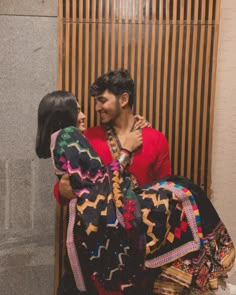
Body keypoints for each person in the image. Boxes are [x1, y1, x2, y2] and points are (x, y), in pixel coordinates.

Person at [36, 91, 235, 295]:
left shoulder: (151, 137)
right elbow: (80, 185)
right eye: (79, 109)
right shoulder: (84, 137)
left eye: (102, 101)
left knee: (179, 189)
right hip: (106, 220)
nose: (93, 110)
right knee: (181, 194)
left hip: (128, 211)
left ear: (123, 100)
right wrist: (125, 153)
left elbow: (160, 176)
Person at [56, 69, 171, 203]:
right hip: (98, 222)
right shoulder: (88, 138)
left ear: (123, 100)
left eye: (102, 100)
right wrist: (61, 190)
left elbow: (165, 190)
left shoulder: (156, 139)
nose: (97, 108)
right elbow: (66, 187)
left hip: (144, 221)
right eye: (96, 102)